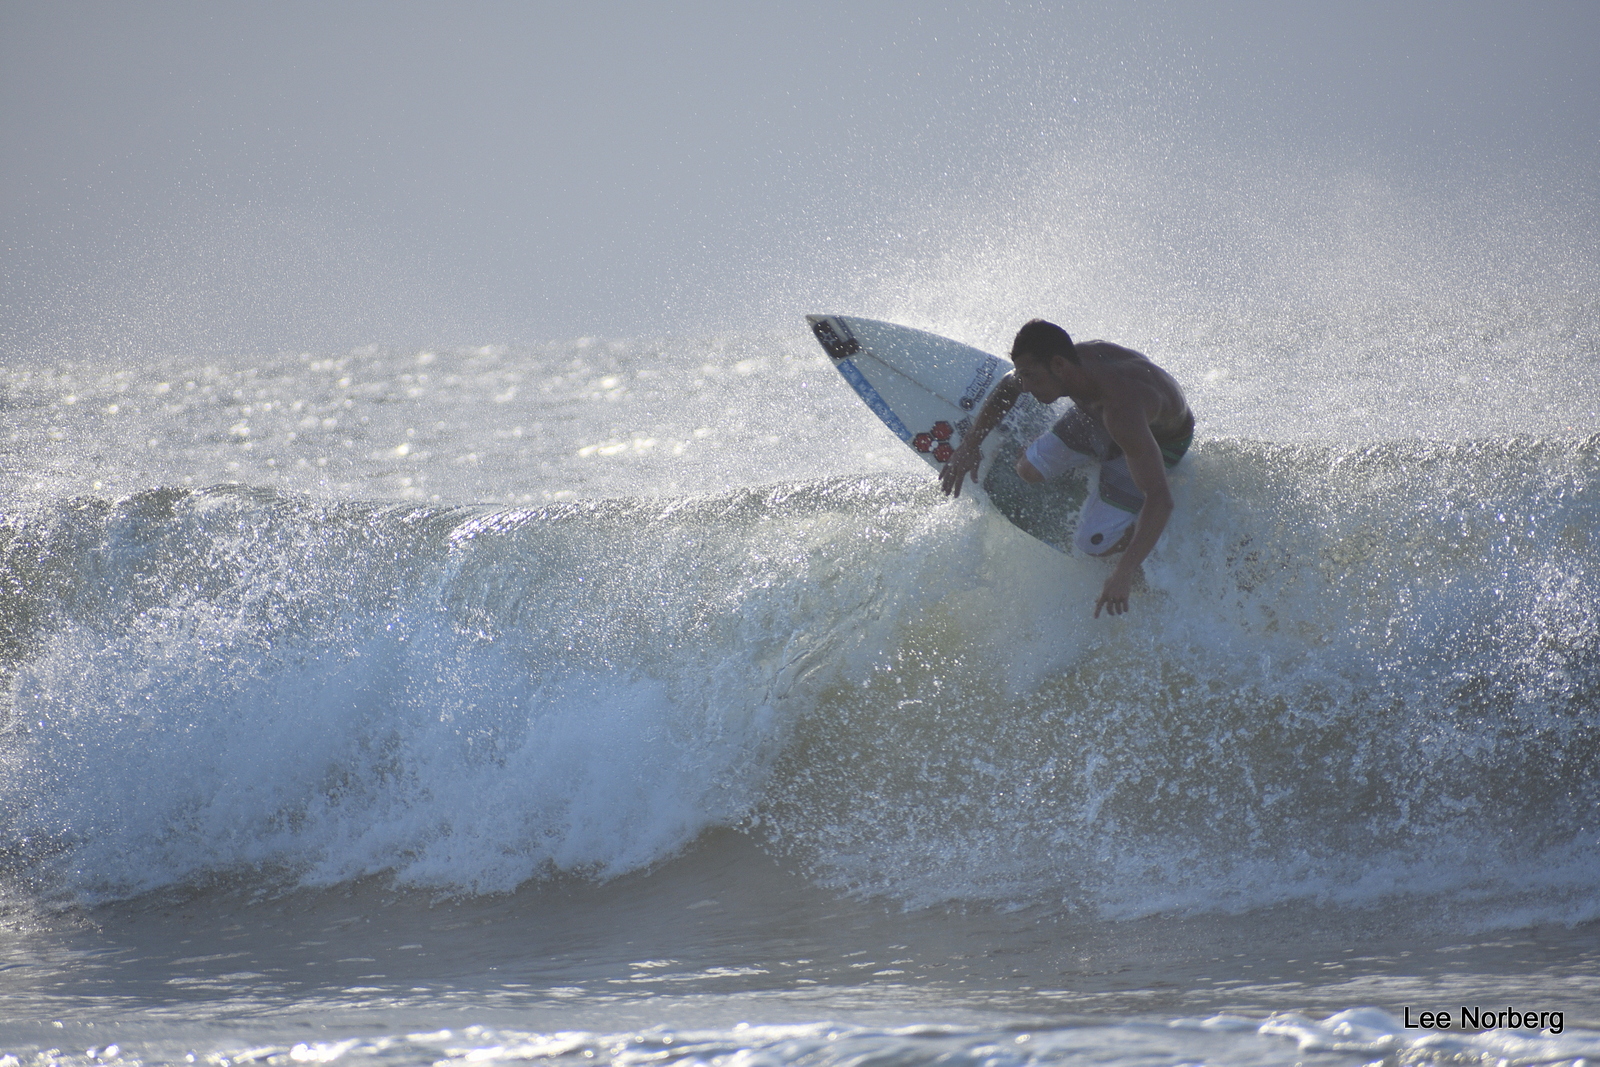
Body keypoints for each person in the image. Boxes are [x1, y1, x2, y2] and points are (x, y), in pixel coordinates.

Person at [939, 319, 1193, 618]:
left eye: (1031, 377)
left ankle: (1140, 540)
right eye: (1024, 375)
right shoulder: (1073, 365)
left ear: (1058, 365)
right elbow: (1009, 386)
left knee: (1092, 545)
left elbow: (1160, 498)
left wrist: (1124, 572)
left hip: (1155, 443)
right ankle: (1089, 460)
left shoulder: (1120, 408)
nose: (1026, 387)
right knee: (1028, 469)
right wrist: (970, 445)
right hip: (1098, 421)